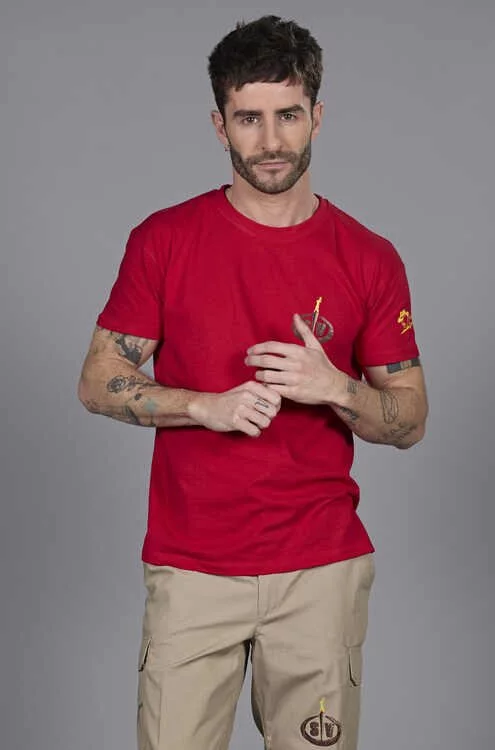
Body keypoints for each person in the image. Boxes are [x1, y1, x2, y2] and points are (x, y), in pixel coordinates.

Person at [78, 14, 428, 750]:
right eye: (249, 118)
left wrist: (334, 387)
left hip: (320, 571)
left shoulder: (370, 257)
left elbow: (410, 418)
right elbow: (99, 378)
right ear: (220, 125)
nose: (271, 141)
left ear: (317, 116)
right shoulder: (163, 241)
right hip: (191, 567)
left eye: (288, 115)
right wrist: (203, 406)